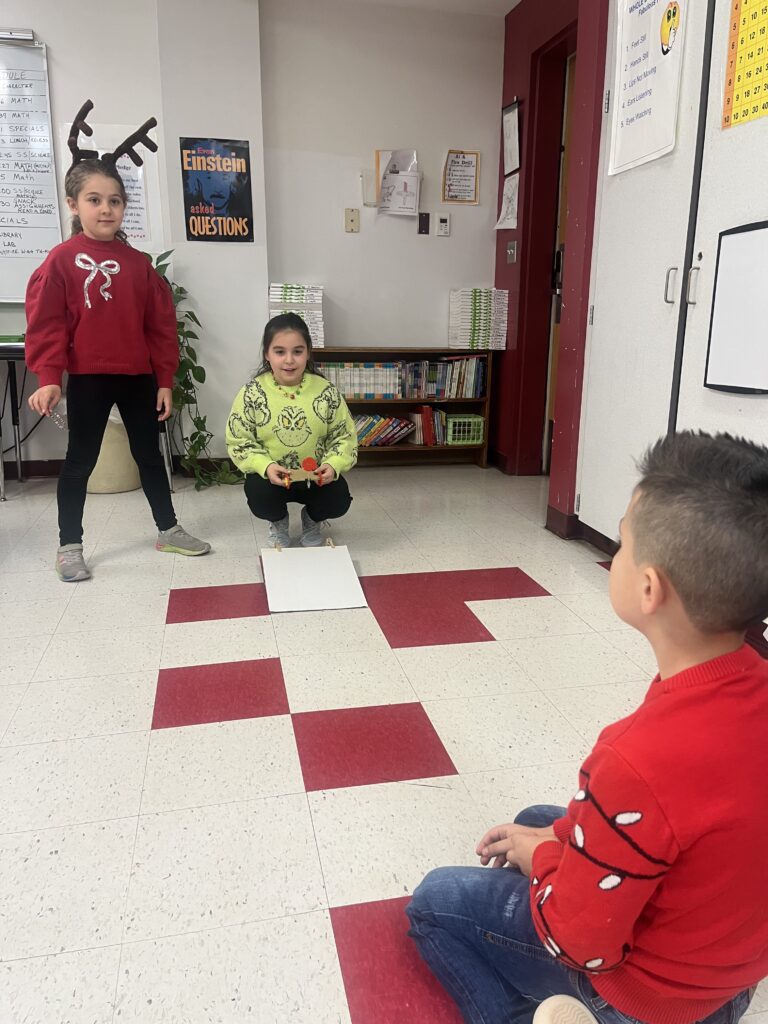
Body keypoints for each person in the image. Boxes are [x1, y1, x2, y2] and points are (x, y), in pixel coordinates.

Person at [407, 431, 768, 1024]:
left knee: (435, 902)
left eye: (622, 543)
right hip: (730, 971)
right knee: (533, 821)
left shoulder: (635, 758)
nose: (615, 556)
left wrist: (547, 864)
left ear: (649, 589)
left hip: (651, 998)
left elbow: (579, 944)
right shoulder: (743, 678)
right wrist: (549, 841)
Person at [24, 104, 210, 582]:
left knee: (149, 454)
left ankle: (167, 528)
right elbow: (47, 326)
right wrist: (49, 379)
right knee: (81, 460)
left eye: (114, 200)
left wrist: (164, 380)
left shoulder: (139, 264)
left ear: (124, 207)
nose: (106, 209)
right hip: (87, 376)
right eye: (94, 199)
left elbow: (160, 326)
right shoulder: (61, 261)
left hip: (138, 377)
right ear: (73, 205)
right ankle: (70, 544)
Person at [226, 313, 357, 547]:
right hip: (273, 479)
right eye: (280, 352)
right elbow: (240, 441)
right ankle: (278, 521)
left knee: (339, 499)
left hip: (315, 477)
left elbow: (344, 437)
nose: (289, 360)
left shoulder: (326, 391)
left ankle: (312, 519)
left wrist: (332, 465)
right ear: (267, 354)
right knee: (259, 494)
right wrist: (265, 466)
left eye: (297, 351)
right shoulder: (251, 393)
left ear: (308, 353)